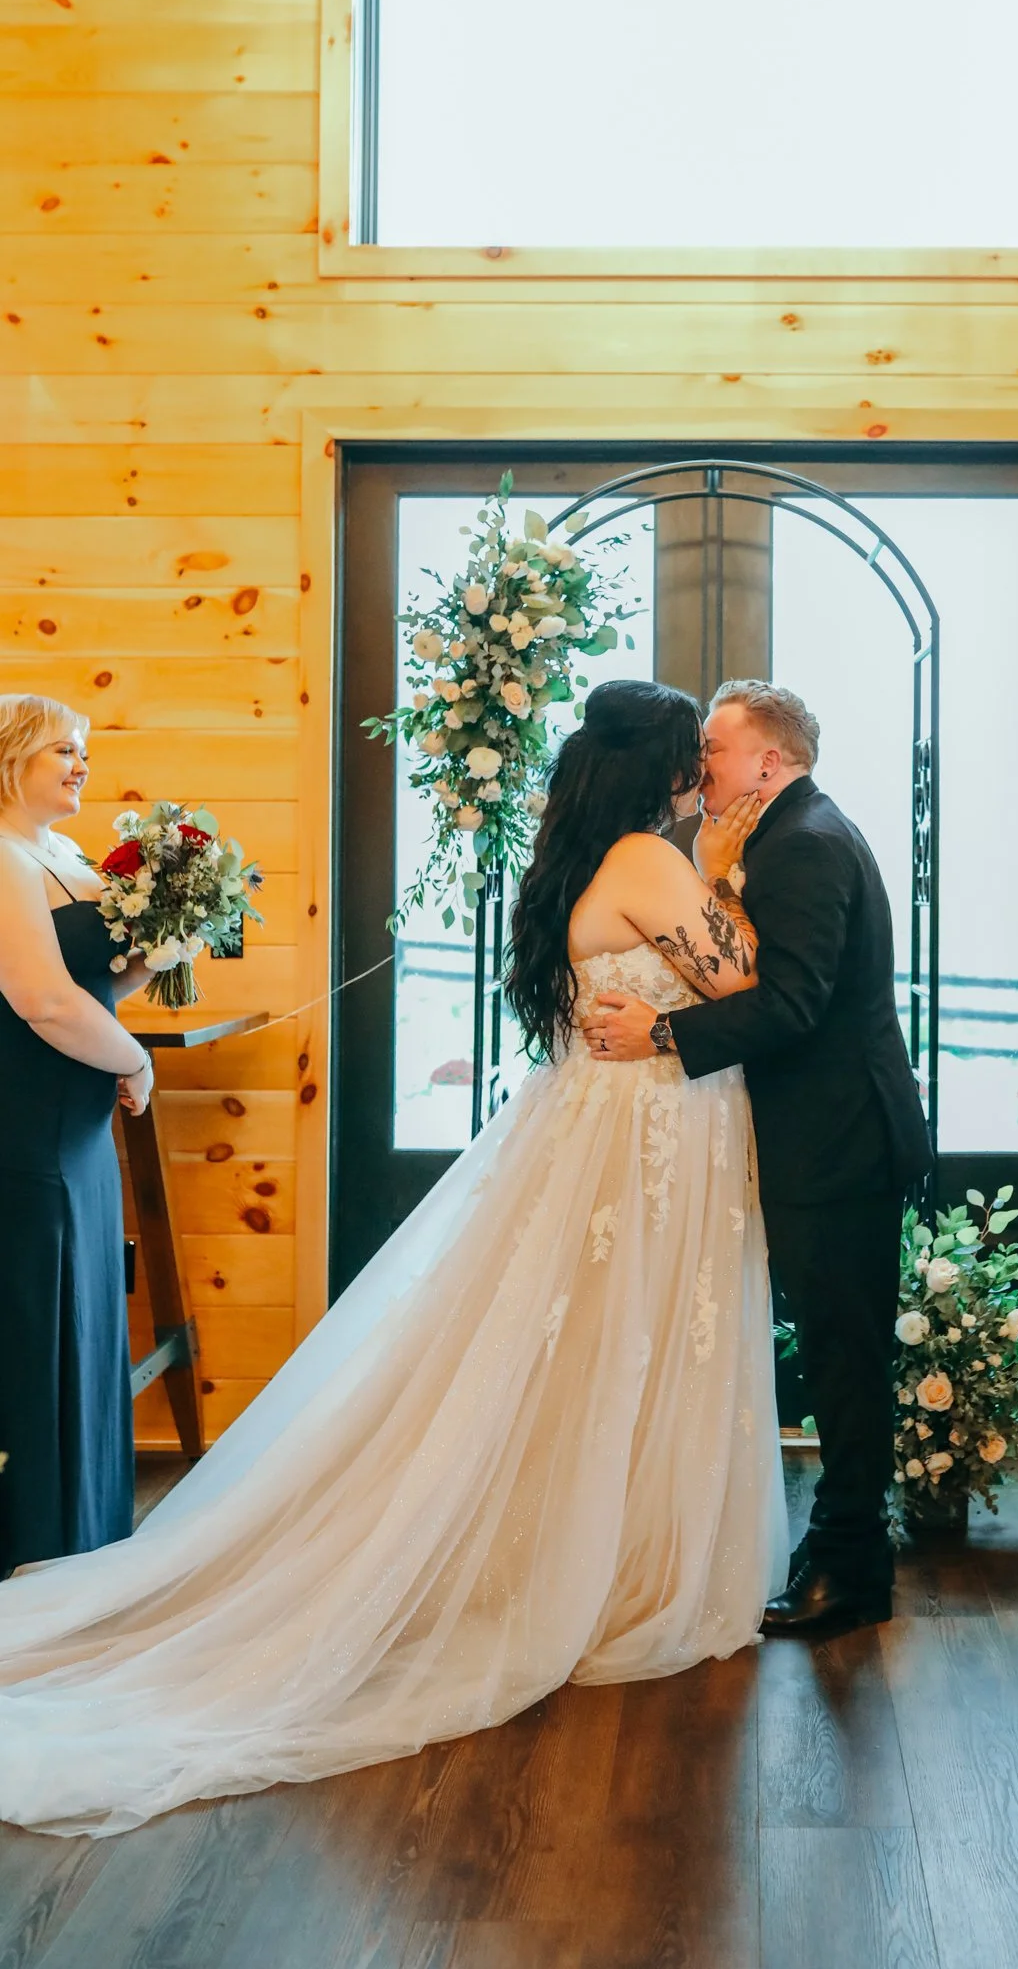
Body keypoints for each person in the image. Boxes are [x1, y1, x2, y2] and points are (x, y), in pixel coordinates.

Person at [0, 679, 787, 1836]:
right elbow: (747, 977)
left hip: (611, 1123)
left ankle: (590, 1547)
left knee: (595, 1345)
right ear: (665, 769)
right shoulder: (651, 860)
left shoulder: (583, 854)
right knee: (633, 1340)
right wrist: (723, 860)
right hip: (650, 1132)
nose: (702, 776)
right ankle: (617, 1565)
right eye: (694, 758)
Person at [589, 680, 933, 1637]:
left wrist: (661, 1033)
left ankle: (851, 1569)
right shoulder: (787, 834)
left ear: (767, 762)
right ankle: (841, 1549)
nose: (699, 764)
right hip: (829, 1135)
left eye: (714, 748)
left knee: (844, 1360)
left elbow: (792, 1004)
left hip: (840, 1140)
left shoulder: (805, 845)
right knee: (836, 1352)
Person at [0, 695, 157, 1581]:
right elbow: (43, 1002)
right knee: (39, 1324)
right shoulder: (1, 857)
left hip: (79, 1127)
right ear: (9, 759)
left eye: (84, 750)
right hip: (26, 1121)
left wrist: (158, 953)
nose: (81, 764)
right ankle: (38, 1546)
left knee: (88, 1312)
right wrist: (133, 1061)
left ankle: (88, 1535)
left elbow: (95, 987)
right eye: (63, 749)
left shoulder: (64, 856)